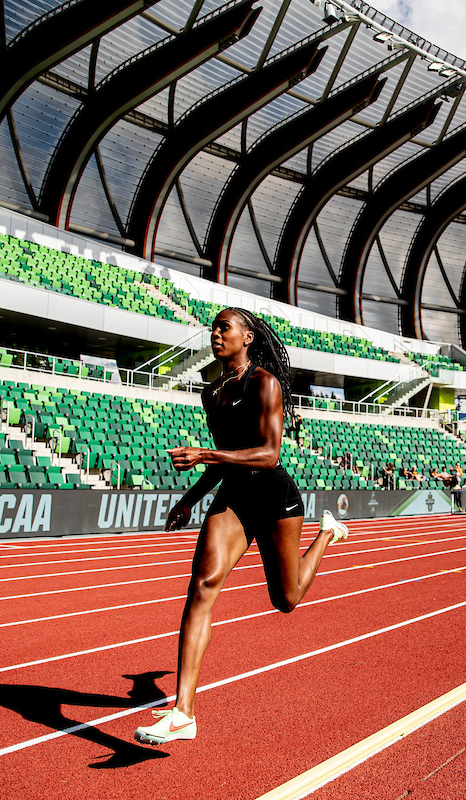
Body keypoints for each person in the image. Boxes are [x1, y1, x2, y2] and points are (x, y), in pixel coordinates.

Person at [137, 308, 348, 745]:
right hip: (233, 498)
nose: (215, 334)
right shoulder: (211, 393)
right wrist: (188, 501)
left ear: (247, 337)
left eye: (224, 328)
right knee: (202, 586)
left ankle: (328, 532)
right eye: (213, 328)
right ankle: (182, 713)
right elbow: (222, 458)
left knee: (286, 599)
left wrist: (204, 455)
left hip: (273, 498)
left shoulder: (263, 383)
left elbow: (268, 454)